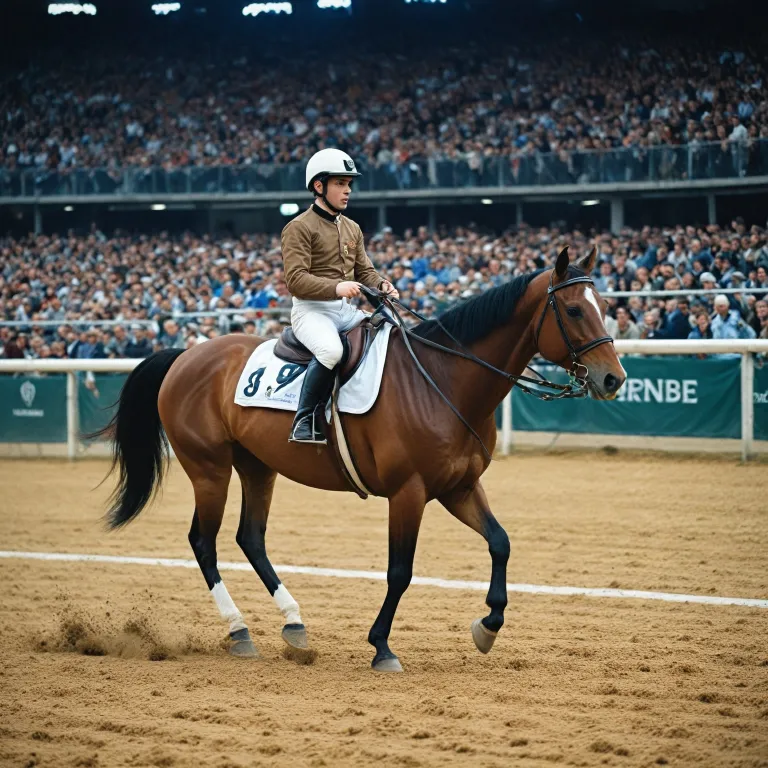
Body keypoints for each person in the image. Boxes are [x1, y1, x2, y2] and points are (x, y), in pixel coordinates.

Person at [281, 149, 399, 444]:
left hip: (343, 310)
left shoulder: (352, 228)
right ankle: (304, 419)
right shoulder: (298, 227)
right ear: (319, 186)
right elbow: (295, 280)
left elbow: (365, 272)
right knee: (331, 351)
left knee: (392, 331)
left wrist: (383, 284)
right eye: (340, 184)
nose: (347, 191)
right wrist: (335, 287)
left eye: (349, 184)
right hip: (311, 311)